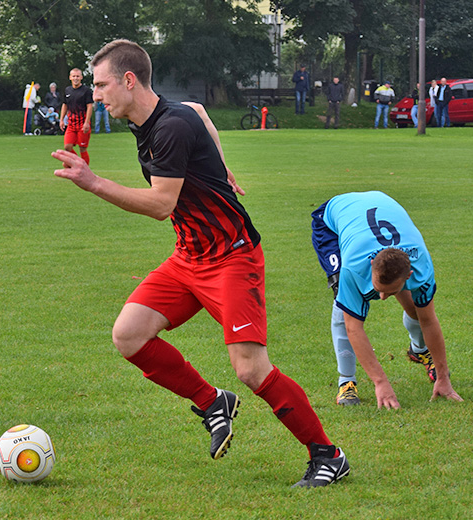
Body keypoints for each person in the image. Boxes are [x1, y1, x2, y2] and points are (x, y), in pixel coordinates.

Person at [52, 39, 350, 488]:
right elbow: (200, 111)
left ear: (129, 81)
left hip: (232, 257)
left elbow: (159, 204)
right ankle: (212, 403)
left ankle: (327, 455)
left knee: (251, 368)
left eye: (101, 84)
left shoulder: (170, 127)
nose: (95, 94)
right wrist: (223, 167)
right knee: (129, 335)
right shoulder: (161, 117)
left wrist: (94, 183)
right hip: (189, 256)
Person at [310, 191, 463, 409]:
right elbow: (354, 328)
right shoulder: (354, 266)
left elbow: (428, 320)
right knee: (343, 303)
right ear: (372, 264)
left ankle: (418, 350)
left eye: (389, 292)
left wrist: (444, 378)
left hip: (379, 204)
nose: (381, 298)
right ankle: (346, 381)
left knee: (416, 309)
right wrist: (380, 382)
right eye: (378, 289)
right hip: (331, 220)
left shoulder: (422, 267)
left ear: (410, 276)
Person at [59, 68, 94, 164]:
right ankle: (78, 164)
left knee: (82, 148)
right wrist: (61, 119)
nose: (76, 78)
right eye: (73, 76)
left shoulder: (86, 91)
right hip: (71, 124)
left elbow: (90, 106)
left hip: (82, 123)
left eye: (77, 76)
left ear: (81, 77)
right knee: (67, 147)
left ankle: (84, 170)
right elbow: (65, 105)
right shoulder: (67, 90)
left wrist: (87, 122)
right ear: (70, 77)